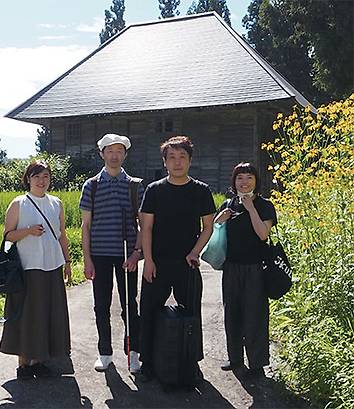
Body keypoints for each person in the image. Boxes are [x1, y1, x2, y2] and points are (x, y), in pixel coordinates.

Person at [138, 135, 216, 382]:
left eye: (182, 156)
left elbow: (208, 227)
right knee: (149, 310)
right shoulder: (154, 190)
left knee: (192, 312)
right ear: (165, 162)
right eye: (171, 157)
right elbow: (146, 228)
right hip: (158, 262)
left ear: (190, 160)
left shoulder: (201, 191)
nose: (177, 162)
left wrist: (195, 252)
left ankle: (191, 360)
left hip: (187, 263)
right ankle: (147, 362)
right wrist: (148, 261)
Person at [0, 160, 72, 380]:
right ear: (28, 179)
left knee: (48, 313)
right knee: (28, 315)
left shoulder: (56, 203)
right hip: (28, 268)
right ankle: (23, 363)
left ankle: (40, 360)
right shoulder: (19, 203)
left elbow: (62, 236)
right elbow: (7, 235)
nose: (42, 181)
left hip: (52, 266)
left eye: (46, 176)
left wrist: (67, 262)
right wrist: (28, 231)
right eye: (37, 176)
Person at [79, 133, 144, 373]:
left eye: (119, 151)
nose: (114, 155)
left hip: (127, 255)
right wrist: (87, 259)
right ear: (102, 154)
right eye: (110, 150)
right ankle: (104, 352)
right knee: (101, 306)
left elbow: (143, 224)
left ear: (125, 154)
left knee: (130, 305)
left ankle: (134, 351)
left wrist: (137, 253)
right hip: (100, 255)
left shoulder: (134, 185)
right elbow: (86, 226)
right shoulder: (92, 185)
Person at [214, 162, 277, 379]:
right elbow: (214, 232)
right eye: (240, 177)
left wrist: (250, 208)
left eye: (249, 177)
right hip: (231, 267)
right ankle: (235, 358)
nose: (244, 182)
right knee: (232, 313)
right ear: (234, 182)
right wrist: (218, 221)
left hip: (255, 268)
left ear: (256, 181)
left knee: (255, 315)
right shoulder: (228, 204)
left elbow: (263, 234)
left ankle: (257, 363)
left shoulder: (265, 205)